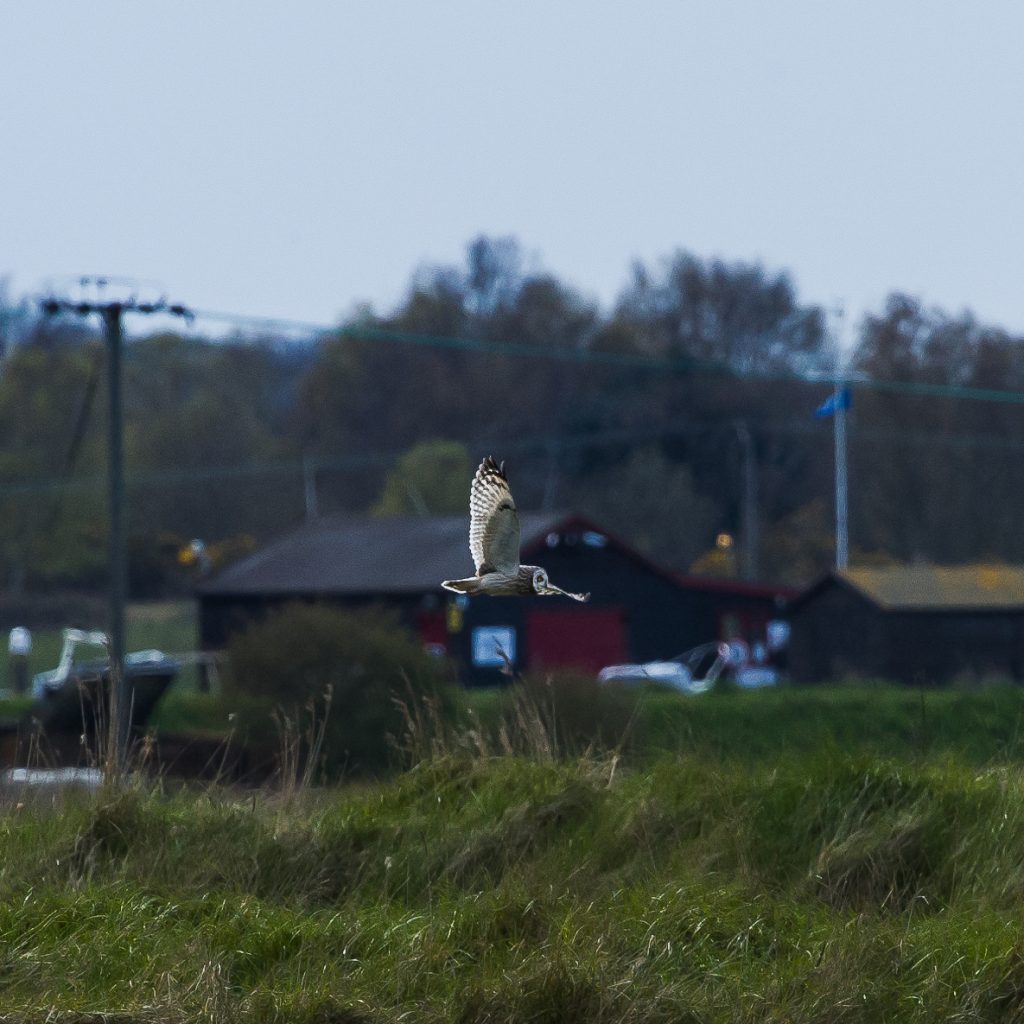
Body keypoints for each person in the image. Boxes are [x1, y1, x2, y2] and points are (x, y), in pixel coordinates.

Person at [8, 626, 32, 695]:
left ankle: (21, 688)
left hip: (20, 655)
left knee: (21, 672)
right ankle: (19, 688)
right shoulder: (19, 632)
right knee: (19, 672)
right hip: (20, 655)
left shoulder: (16, 631)